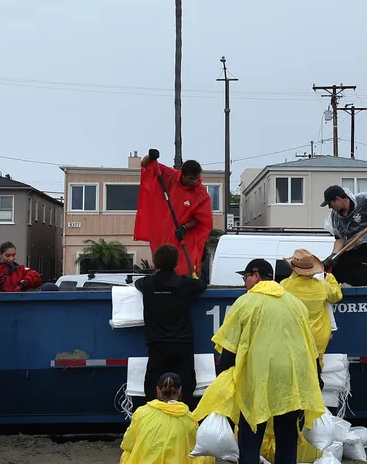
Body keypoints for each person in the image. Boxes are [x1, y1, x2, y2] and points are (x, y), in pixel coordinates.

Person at [212, 258, 324, 464]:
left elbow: (230, 345)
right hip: (290, 379)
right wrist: (316, 374)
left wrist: (223, 374)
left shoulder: (245, 302)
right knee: (287, 433)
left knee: (251, 432)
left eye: (246, 277)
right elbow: (309, 345)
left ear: (256, 276)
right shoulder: (294, 303)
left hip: (257, 377)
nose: (245, 282)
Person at [134, 244, 206, 407]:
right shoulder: (184, 283)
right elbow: (201, 285)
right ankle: (184, 413)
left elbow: (137, 284)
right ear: (175, 262)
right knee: (186, 383)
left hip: (157, 344)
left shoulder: (147, 284)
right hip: (182, 343)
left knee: (152, 384)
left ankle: (154, 415)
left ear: (155, 263)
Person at [134, 148, 213, 278]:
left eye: (197, 178)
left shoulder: (201, 193)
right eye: (191, 178)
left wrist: (184, 227)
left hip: (182, 236)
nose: (195, 182)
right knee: (163, 262)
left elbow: (200, 218)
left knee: (183, 266)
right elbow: (146, 164)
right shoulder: (170, 176)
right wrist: (150, 156)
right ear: (183, 175)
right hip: (164, 232)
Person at [279, 249, 343, 373]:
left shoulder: (284, 285)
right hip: (317, 339)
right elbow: (337, 296)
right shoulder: (322, 286)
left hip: (294, 338)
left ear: (293, 268)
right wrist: (330, 278)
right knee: (315, 373)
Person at [322, 185, 367, 287]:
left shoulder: (364, 200)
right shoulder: (335, 216)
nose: (330, 208)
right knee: (336, 276)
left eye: (330, 204)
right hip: (349, 251)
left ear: (338, 199)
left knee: (361, 277)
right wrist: (334, 255)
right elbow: (340, 239)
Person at [119, 372, 200, 464]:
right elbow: (195, 448)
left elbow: (128, 444)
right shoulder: (189, 417)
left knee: (127, 454)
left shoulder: (141, 413)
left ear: (158, 389)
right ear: (180, 390)